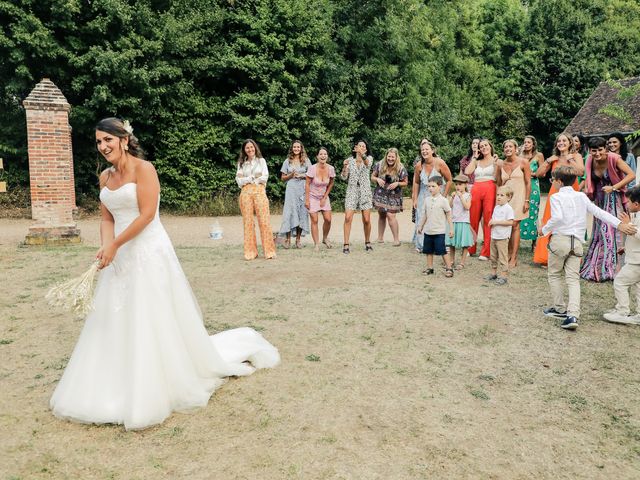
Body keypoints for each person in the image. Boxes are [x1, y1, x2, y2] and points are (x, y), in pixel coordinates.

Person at [50, 118, 280, 430]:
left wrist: (116, 243)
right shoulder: (105, 176)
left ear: (124, 139)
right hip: (119, 255)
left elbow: (146, 215)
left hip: (147, 250)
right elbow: (106, 217)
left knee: (150, 314)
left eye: (108, 140)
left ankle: (158, 379)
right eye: (99, 142)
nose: (103, 147)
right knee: (115, 315)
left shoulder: (145, 169)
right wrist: (107, 247)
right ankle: (113, 380)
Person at [539, 166, 636, 330]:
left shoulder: (556, 197)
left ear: (559, 181)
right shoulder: (581, 197)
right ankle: (573, 315)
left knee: (554, 274)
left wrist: (544, 229)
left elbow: (557, 218)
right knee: (573, 279)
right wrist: (619, 224)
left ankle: (560, 308)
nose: (552, 183)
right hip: (576, 243)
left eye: (552, 180)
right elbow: (600, 213)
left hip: (560, 240)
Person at [580, 136, 635, 282]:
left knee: (610, 231)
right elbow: (588, 178)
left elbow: (631, 174)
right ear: (589, 151)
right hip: (599, 199)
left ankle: (612, 269)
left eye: (600, 150)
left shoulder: (614, 159)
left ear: (605, 148)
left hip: (613, 198)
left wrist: (614, 187)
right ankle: (597, 266)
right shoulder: (590, 160)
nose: (597, 153)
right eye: (593, 151)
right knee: (599, 232)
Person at [533, 133, 584, 266]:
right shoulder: (554, 159)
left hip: (572, 193)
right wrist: (548, 161)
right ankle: (546, 256)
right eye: (559, 141)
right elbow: (538, 174)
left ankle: (571, 254)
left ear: (570, 143)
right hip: (555, 193)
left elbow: (581, 172)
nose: (561, 143)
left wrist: (570, 160)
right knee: (551, 220)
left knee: (571, 221)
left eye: (564, 140)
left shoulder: (576, 156)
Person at [603, 186, 640, 325]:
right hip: (635, 258)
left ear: (636, 204)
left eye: (629, 202)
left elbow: (637, 233)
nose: (627, 204)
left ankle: (622, 311)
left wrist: (628, 224)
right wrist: (625, 247)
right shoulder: (637, 214)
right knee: (638, 286)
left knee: (620, 282)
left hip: (637, 262)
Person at [236, 139, 277, 260]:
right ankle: (250, 252)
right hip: (245, 193)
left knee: (264, 222)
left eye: (252, 147)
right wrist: (252, 178)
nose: (250, 149)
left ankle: (269, 251)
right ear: (244, 150)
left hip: (259, 192)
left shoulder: (261, 161)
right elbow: (239, 181)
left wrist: (248, 178)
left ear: (255, 148)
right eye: (247, 148)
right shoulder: (241, 163)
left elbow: (264, 177)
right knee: (248, 222)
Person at [412, 140, 452, 251]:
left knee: (439, 217)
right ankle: (422, 244)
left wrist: (444, 196)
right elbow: (416, 182)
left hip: (439, 194)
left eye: (427, 149)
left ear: (432, 150)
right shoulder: (419, 165)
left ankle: (442, 243)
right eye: (422, 150)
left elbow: (449, 180)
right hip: (423, 194)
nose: (424, 151)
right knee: (422, 216)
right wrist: (414, 198)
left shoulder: (440, 163)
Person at [497, 139, 531, 267]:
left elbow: (528, 183)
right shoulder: (501, 164)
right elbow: (499, 183)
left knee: (515, 225)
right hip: (506, 199)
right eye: (505, 147)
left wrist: (527, 200)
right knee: (508, 226)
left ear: (516, 149)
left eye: (510, 146)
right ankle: (509, 252)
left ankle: (514, 258)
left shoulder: (524, 162)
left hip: (519, 198)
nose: (508, 149)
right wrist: (498, 199)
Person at [465, 138, 498, 260]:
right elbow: (468, 171)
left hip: (490, 188)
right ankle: (470, 247)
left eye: (486, 145)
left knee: (488, 219)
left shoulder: (495, 160)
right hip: (476, 188)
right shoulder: (477, 161)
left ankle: (486, 251)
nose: (484, 147)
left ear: (490, 146)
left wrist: (495, 163)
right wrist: (474, 158)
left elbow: (498, 175)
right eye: (481, 146)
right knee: (473, 218)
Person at [416, 176, 455, 277]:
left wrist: (451, 228)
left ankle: (449, 268)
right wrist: (420, 226)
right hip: (428, 231)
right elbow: (425, 215)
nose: (430, 188)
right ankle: (430, 268)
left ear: (440, 187)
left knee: (442, 250)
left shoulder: (443, 200)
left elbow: (449, 214)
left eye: (433, 186)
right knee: (428, 251)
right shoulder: (427, 200)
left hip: (439, 231)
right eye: (429, 186)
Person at [341, 140, 374, 253]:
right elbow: (344, 177)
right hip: (352, 191)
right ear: (355, 148)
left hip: (365, 191)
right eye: (359, 146)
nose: (361, 148)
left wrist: (362, 154)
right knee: (347, 218)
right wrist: (345, 167)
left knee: (366, 219)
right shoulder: (350, 160)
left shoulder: (369, 158)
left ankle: (368, 242)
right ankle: (346, 244)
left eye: (363, 146)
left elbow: (368, 164)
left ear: (365, 149)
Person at [371, 147, 409, 246]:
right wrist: (377, 180)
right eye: (389, 156)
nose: (390, 159)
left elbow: (405, 183)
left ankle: (396, 240)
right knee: (382, 214)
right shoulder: (379, 164)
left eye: (393, 157)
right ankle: (380, 238)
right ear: (386, 156)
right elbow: (372, 177)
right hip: (381, 193)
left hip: (394, 195)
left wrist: (397, 183)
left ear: (396, 157)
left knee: (391, 215)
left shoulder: (401, 168)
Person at [278, 140, 311, 248]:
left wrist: (302, 176)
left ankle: (298, 239)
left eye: (298, 147)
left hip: (302, 189)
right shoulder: (287, 161)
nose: (296, 149)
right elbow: (282, 178)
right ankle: (287, 240)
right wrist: (291, 175)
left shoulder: (306, 161)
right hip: (291, 189)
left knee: (302, 212)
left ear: (301, 148)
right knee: (290, 212)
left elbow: (311, 175)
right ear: (292, 148)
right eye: (294, 147)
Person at [305, 147, 335, 251]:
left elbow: (331, 183)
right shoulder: (312, 168)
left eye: (325, 154)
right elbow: (307, 184)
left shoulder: (330, 168)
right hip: (312, 197)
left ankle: (325, 238)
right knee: (315, 220)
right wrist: (307, 200)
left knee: (328, 219)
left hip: (324, 197)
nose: (323, 156)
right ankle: (316, 244)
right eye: (321, 154)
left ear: (327, 156)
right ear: (317, 156)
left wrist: (325, 197)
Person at [484, 186, 514, 286]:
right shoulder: (496, 207)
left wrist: (496, 222)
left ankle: (504, 275)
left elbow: (510, 222)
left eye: (502, 195)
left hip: (502, 237)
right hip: (494, 236)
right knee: (493, 256)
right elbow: (493, 219)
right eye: (497, 195)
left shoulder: (508, 209)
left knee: (502, 257)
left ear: (509, 198)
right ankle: (493, 273)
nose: (499, 197)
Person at [519, 135, 543, 251]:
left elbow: (542, 173)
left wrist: (531, 174)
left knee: (533, 212)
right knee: (519, 211)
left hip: (533, 185)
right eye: (525, 142)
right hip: (521, 185)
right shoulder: (519, 155)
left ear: (533, 144)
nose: (526, 144)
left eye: (528, 142)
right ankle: (517, 238)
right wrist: (520, 153)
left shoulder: (539, 156)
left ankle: (534, 242)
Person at [446, 174, 474, 269]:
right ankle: (451, 260)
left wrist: (461, 197)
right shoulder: (454, 194)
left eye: (460, 184)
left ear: (465, 185)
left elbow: (467, 207)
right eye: (456, 184)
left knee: (464, 243)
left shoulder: (467, 195)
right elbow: (449, 206)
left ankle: (462, 262)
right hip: (454, 220)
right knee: (452, 243)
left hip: (463, 221)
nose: (458, 186)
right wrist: (452, 198)